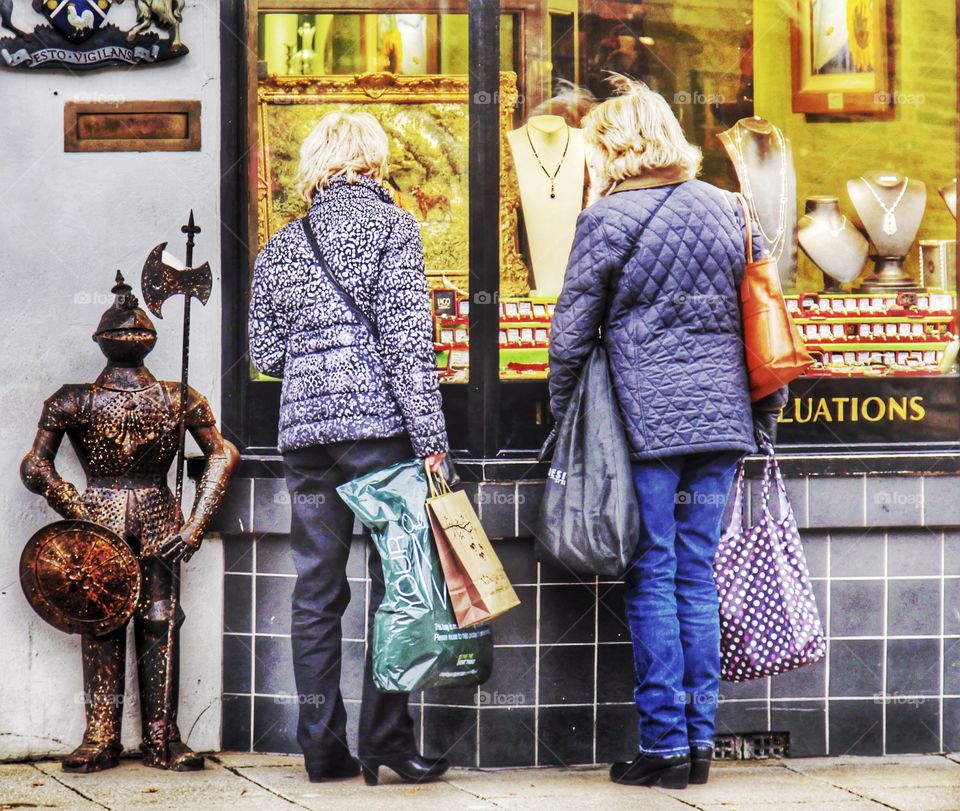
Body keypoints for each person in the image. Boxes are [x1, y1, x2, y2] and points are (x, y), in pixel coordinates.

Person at [548, 78, 784, 789]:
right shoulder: (731, 208)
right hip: (720, 428)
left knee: (651, 576)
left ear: (615, 146)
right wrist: (760, 422)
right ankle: (701, 744)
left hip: (644, 431)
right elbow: (764, 318)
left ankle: (663, 747)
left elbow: (568, 336)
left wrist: (565, 420)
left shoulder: (607, 219)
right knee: (694, 575)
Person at [248, 111, 449, 785]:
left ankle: (322, 747)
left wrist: (316, 363)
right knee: (401, 588)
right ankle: (387, 737)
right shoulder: (395, 227)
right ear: (375, 161)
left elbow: (264, 353)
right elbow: (408, 347)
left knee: (316, 592)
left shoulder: (279, 245)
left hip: (307, 441)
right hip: (380, 436)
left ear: (317, 164)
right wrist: (433, 442)